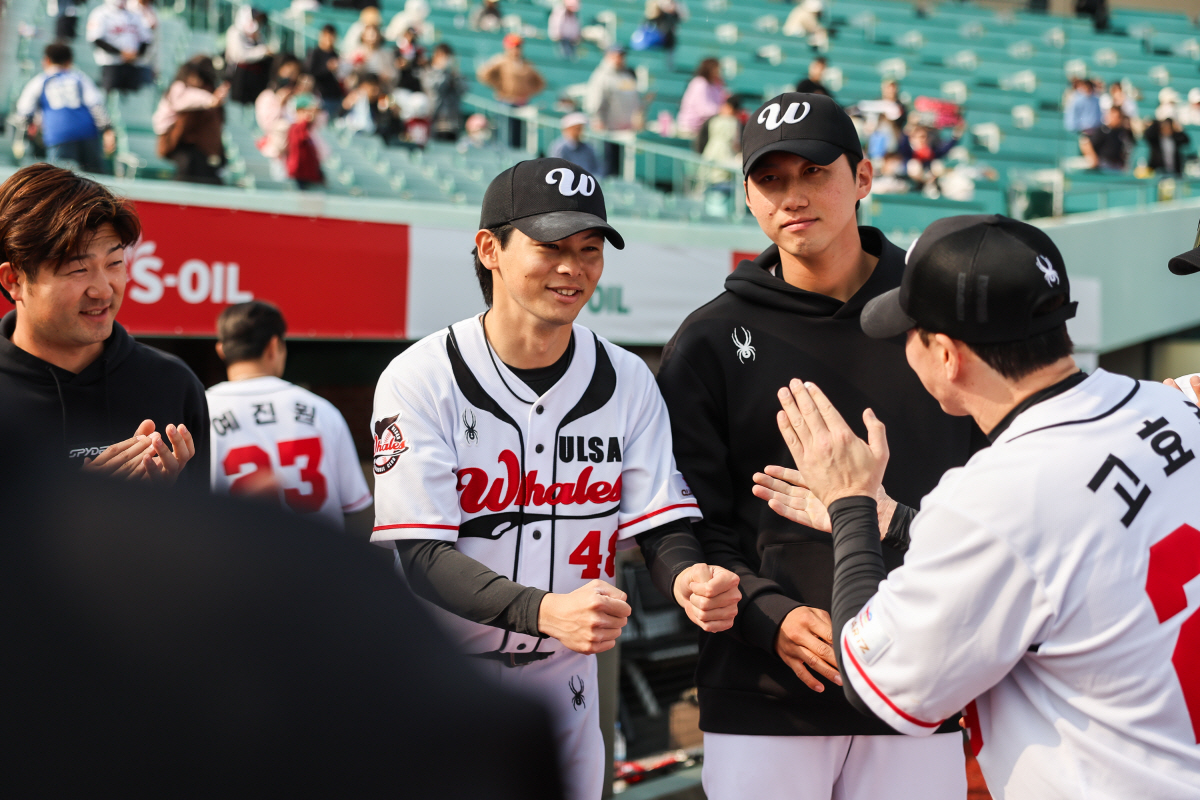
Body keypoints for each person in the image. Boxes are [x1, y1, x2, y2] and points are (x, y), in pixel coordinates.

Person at [757, 213, 1200, 799]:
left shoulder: (993, 493)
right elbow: (1054, 552)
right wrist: (891, 520)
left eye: (909, 334)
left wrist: (852, 504)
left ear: (946, 355)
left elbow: (876, 680)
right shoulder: (1174, 406)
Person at [369, 157, 742, 800]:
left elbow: (663, 525)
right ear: (490, 249)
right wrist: (543, 610)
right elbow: (421, 556)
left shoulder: (627, 380)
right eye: (550, 247)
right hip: (442, 673)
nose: (573, 267)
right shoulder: (420, 377)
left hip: (567, 676)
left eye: (589, 249)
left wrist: (688, 576)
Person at [656, 92, 979, 800]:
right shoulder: (707, 340)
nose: (792, 196)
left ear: (863, 177)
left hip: (921, 686)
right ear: (746, 195)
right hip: (763, 691)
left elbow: (995, 502)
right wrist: (766, 615)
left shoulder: (944, 320)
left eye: (813, 172)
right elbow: (685, 524)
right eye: (770, 180)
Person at [3, 426, 564, 800]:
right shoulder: (297, 546)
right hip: (281, 601)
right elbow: (357, 514)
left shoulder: (203, 400)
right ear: (274, 348)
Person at [0, 163, 206, 484]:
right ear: (13, 279)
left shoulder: (174, 385)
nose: (103, 289)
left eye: (114, 263)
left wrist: (170, 507)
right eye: (78, 269)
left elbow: (203, 529)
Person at [208, 301, 369, 531]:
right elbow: (355, 507)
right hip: (319, 559)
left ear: (221, 350)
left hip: (233, 559)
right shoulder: (322, 410)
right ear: (274, 346)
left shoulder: (201, 410)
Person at [16, 43, 115, 174]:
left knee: (60, 182)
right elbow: (96, 104)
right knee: (95, 180)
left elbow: (24, 110)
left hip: (58, 136)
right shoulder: (80, 78)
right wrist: (107, 130)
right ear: (70, 61)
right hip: (88, 134)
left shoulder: (39, 81)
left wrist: (27, 130)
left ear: (46, 60)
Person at [152, 56, 227, 185]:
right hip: (170, 137)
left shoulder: (196, 94)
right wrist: (211, 100)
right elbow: (189, 99)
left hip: (191, 148)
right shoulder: (179, 89)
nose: (196, 81)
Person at [476, 34, 546, 149]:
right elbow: (484, 74)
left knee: (518, 136)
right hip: (505, 101)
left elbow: (540, 82)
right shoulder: (501, 61)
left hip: (521, 103)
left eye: (518, 47)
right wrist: (499, 85)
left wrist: (527, 91)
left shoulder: (526, 64)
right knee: (504, 133)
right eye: (513, 46)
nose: (516, 50)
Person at [584, 46, 642, 177]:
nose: (619, 59)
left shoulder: (627, 75)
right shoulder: (602, 76)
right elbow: (594, 101)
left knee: (621, 169)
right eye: (616, 55)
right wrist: (597, 119)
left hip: (626, 129)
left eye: (621, 56)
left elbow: (633, 100)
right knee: (608, 166)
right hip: (608, 130)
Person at [85, 0, 152, 94]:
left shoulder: (135, 14)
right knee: (110, 97)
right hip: (111, 64)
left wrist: (136, 54)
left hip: (133, 65)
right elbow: (96, 39)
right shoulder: (100, 13)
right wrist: (121, 53)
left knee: (134, 101)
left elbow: (146, 39)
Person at [226, 6, 273, 105]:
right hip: (240, 79)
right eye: (255, 19)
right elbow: (239, 56)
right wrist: (262, 51)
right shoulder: (235, 32)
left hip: (256, 78)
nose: (258, 22)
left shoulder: (258, 35)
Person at [423, 43, 467, 142]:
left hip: (452, 122)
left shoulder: (453, 74)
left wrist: (455, 75)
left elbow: (464, 89)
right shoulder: (428, 73)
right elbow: (435, 88)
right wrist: (441, 71)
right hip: (435, 121)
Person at [676, 57, 727, 137]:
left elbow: (721, 102)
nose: (719, 72)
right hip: (690, 130)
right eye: (717, 68)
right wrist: (722, 110)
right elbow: (703, 109)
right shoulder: (699, 83)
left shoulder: (715, 85)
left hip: (703, 130)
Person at [286, 95, 325, 189]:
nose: (311, 114)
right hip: (299, 176)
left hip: (309, 176)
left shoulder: (310, 130)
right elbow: (298, 142)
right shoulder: (296, 128)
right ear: (299, 111)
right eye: (308, 111)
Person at [307, 24, 345, 121]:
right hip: (321, 96)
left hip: (335, 96)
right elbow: (310, 72)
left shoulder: (335, 54)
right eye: (327, 35)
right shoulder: (314, 53)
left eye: (332, 36)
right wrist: (327, 68)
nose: (329, 39)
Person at [1079, 106, 1133, 172]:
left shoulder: (1122, 133)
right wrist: (1093, 158)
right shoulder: (1102, 130)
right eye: (1113, 116)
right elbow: (1085, 141)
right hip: (1103, 164)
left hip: (1116, 166)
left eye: (1117, 117)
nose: (1114, 118)